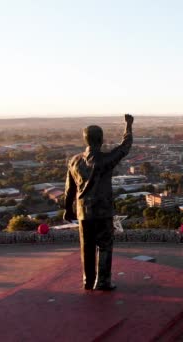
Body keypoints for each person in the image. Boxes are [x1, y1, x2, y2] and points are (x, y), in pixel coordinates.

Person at [64, 114, 133, 291]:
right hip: (102, 211)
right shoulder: (105, 160)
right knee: (104, 245)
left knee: (86, 247)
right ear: (101, 140)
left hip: (82, 212)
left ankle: (88, 281)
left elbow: (69, 189)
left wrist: (68, 209)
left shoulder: (74, 161)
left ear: (85, 140)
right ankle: (102, 281)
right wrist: (128, 126)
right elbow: (125, 147)